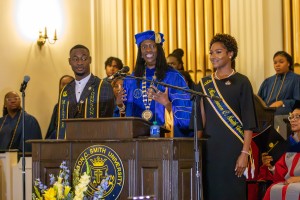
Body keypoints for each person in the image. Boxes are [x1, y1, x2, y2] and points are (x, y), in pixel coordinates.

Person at [195, 33, 257, 199]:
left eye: (218, 52)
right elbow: (200, 121)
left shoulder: (242, 81)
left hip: (234, 150)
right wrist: (196, 152)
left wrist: (244, 153)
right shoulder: (204, 84)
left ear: (230, 54)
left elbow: (249, 121)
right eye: (211, 53)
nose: (213, 56)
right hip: (211, 150)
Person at [121, 30, 193, 137]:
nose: (148, 49)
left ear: (159, 50)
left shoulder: (173, 77)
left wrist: (168, 104)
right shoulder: (131, 80)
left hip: (165, 139)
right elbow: (123, 115)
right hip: (136, 140)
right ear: (140, 53)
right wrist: (120, 106)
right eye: (144, 47)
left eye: (152, 46)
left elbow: (186, 117)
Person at [56, 44, 115, 139]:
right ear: (69, 61)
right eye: (75, 59)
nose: (80, 63)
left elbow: (108, 122)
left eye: (84, 58)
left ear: (90, 60)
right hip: (69, 147)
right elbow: (59, 123)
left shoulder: (103, 86)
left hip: (95, 147)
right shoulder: (65, 90)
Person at [259, 101, 300, 200]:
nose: (293, 120)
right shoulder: (288, 144)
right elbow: (280, 174)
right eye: (291, 117)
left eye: (297, 117)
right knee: (273, 189)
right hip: (289, 183)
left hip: (295, 185)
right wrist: (271, 166)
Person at [258, 51, 300, 137]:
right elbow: (259, 99)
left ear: (288, 63)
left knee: (277, 114)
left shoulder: (296, 79)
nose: (277, 65)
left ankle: (281, 146)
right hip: (267, 111)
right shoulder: (268, 81)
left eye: (281, 62)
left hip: (286, 111)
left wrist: (282, 102)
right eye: (275, 62)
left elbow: (298, 101)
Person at [45, 75, 74, 139]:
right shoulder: (57, 107)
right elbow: (52, 129)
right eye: (63, 84)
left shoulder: (81, 105)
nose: (65, 87)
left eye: (69, 84)